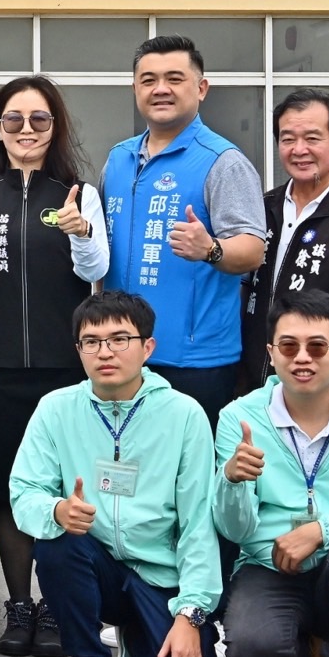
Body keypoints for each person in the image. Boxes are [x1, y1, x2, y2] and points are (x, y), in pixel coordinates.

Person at [0, 75, 107, 657]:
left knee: (62, 488)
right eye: (13, 119)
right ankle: (18, 606)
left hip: (62, 370)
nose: (26, 130)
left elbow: (96, 270)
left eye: (39, 119)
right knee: (11, 490)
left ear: (55, 127)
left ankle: (57, 607)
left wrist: (80, 232)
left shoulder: (78, 195)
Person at [9, 291, 221, 657]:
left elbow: (198, 522)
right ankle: (86, 652)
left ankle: (140, 634)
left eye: (119, 339)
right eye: (91, 342)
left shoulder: (184, 414)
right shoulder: (55, 409)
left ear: (147, 347)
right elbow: (25, 490)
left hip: (162, 577)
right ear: (79, 350)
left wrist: (191, 613)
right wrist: (57, 510)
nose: (105, 352)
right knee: (57, 544)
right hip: (94, 569)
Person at [101, 35, 266, 427]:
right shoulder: (118, 159)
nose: (161, 89)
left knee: (189, 463)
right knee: (124, 460)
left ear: (201, 88)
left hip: (195, 362)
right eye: (149, 80)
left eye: (174, 78)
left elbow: (253, 249)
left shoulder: (223, 161)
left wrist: (211, 249)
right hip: (122, 354)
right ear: (135, 89)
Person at [215, 290, 329, 657]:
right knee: (254, 643)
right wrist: (232, 482)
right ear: (271, 353)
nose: (302, 358)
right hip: (270, 566)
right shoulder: (239, 417)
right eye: (289, 346)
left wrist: (325, 530)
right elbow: (235, 531)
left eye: (317, 347)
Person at [245, 89, 329, 390]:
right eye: (288, 139)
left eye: (312, 138)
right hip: (259, 389)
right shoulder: (262, 207)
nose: (299, 149)